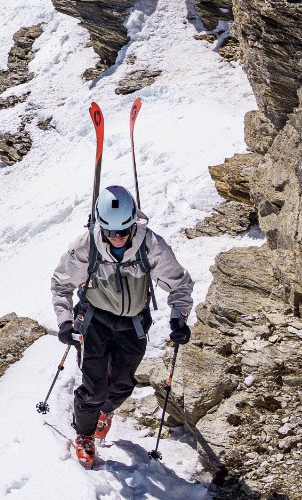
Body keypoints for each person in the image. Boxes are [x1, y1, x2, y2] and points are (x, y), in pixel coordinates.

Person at [49, 184, 194, 468]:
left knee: (122, 384)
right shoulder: (86, 246)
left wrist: (179, 316)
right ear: (100, 225)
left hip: (134, 323)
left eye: (123, 231)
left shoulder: (150, 245)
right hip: (95, 321)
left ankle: (105, 411)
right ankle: (84, 434)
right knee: (94, 386)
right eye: (110, 231)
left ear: (133, 223)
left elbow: (179, 284)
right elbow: (61, 284)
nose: (116, 238)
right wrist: (65, 321)